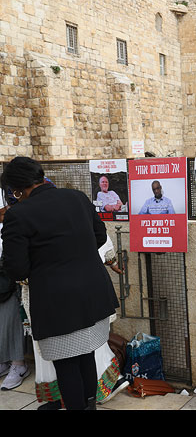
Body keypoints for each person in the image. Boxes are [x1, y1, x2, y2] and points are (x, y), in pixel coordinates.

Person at [1, 157, 119, 410]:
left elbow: (16, 268)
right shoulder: (77, 197)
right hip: (93, 294)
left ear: (16, 189)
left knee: (66, 364)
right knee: (85, 355)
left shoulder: (18, 215)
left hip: (57, 302)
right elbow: (99, 236)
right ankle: (89, 405)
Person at [0, 200, 30, 391]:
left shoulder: (14, 224)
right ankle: (3, 360)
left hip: (10, 280)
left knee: (12, 320)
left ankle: (18, 364)